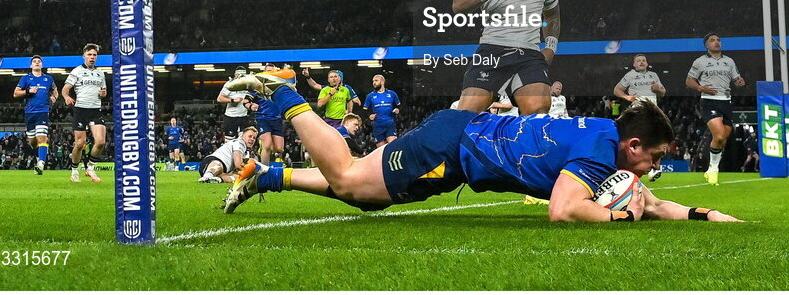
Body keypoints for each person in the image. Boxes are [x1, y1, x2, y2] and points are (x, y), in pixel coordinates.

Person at [222, 72, 741, 223]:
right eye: (652, 158)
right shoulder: (598, 155)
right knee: (349, 177)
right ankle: (286, 92)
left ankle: (269, 176)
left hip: (462, 155)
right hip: (454, 145)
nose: (652, 169)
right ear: (632, 145)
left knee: (363, 196)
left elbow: (647, 203)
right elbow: (563, 211)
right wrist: (617, 218)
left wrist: (702, 214)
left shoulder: (607, 144)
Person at [686, 32, 746, 186]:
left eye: (718, 40)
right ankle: (713, 169)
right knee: (718, 136)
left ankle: (712, 169)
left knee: (723, 140)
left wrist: (739, 82)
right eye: (712, 40)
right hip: (709, 101)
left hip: (726, 102)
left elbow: (736, 79)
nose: (716, 42)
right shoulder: (700, 62)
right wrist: (700, 87)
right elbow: (689, 80)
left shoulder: (729, 61)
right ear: (706, 45)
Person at [62, 43, 107, 183]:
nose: (92, 57)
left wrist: (103, 93)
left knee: (100, 142)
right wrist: (66, 97)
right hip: (81, 109)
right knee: (80, 144)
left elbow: (103, 92)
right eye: (89, 55)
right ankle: (75, 170)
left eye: (94, 55)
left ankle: (90, 168)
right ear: (84, 56)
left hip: (95, 110)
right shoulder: (76, 71)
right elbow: (65, 88)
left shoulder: (100, 73)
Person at [13, 55, 58, 175]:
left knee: (42, 137)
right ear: (31, 65)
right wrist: (28, 91)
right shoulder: (25, 79)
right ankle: (38, 157)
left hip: (43, 112)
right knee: (32, 141)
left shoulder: (48, 79)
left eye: (39, 61)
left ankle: (41, 164)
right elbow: (16, 93)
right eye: (34, 61)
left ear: (42, 65)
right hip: (29, 113)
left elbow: (55, 91)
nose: (37, 63)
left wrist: (54, 97)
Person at [246, 64, 288, 163]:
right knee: (267, 145)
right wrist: (251, 106)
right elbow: (245, 101)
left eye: (272, 71)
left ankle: (264, 148)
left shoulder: (279, 86)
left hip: (277, 119)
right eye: (268, 71)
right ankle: (265, 170)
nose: (269, 73)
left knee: (279, 149)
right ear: (264, 72)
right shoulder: (257, 85)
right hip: (262, 117)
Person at [362, 74, 401, 147]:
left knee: (393, 146)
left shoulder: (392, 94)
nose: (374, 83)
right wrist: (369, 115)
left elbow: (399, 105)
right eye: (373, 81)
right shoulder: (370, 96)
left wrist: (397, 109)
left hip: (390, 124)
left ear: (382, 82)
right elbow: (365, 110)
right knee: (381, 149)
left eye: (376, 81)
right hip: (377, 125)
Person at [218, 67, 255, 141]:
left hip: (243, 116)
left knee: (244, 140)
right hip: (231, 117)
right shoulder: (230, 84)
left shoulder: (247, 85)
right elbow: (219, 98)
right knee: (230, 141)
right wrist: (233, 100)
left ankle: (242, 152)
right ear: (235, 75)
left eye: (243, 76)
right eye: (239, 75)